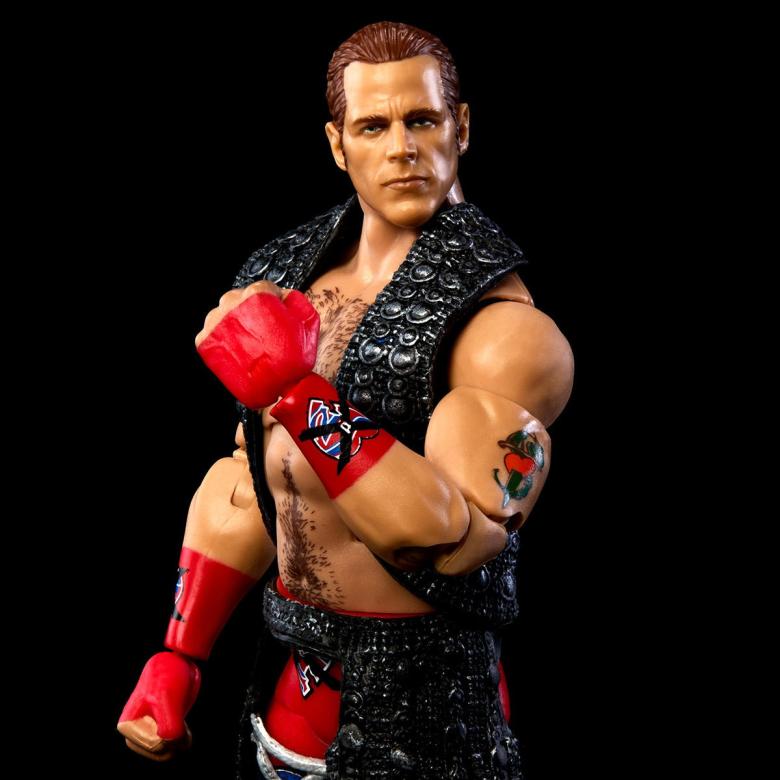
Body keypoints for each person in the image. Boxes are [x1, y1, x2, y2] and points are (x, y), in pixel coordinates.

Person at [118, 21, 573, 780]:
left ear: (460, 127)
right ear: (338, 144)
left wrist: (298, 394)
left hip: (430, 726)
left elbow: (451, 544)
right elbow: (251, 483)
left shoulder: (503, 333)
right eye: (373, 126)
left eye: (422, 120)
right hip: (285, 702)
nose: (402, 148)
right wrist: (179, 653)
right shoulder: (285, 279)